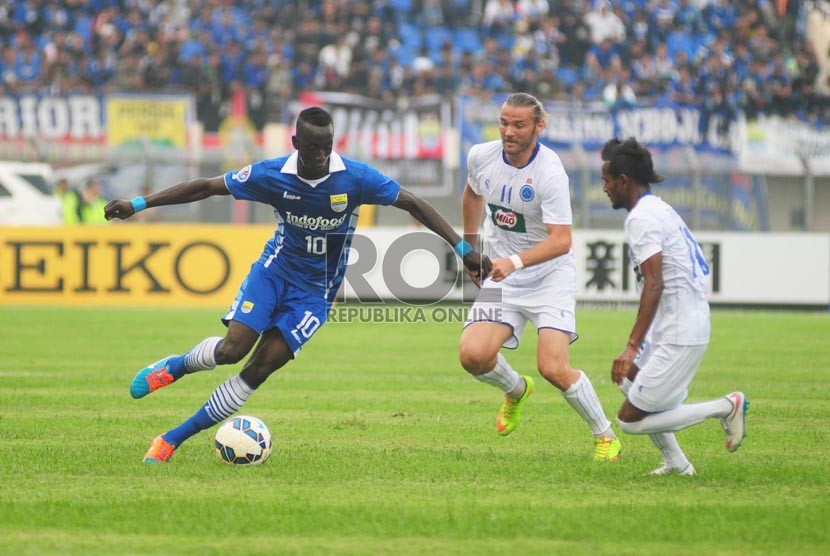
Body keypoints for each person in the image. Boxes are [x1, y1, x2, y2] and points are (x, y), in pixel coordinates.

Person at [104, 106, 491, 463]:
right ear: (296, 144)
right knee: (231, 350)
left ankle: (171, 439)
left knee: (259, 368)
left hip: (316, 294)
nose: (321, 156)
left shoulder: (355, 177)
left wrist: (463, 249)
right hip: (274, 273)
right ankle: (174, 367)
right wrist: (139, 205)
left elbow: (413, 203)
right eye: (312, 148)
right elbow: (205, 186)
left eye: (326, 147)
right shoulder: (272, 174)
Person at [458, 92, 621, 462]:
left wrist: (513, 262)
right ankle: (515, 390)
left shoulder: (549, 173)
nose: (508, 132)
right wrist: (470, 249)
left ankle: (605, 436)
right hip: (505, 274)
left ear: (538, 126)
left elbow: (562, 241)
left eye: (518, 125)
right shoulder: (480, 156)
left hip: (548, 277)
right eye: (503, 123)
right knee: (472, 355)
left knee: (552, 367)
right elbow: (471, 194)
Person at [600, 137, 748, 476]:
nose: (605, 188)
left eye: (607, 180)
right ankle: (678, 464)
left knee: (630, 422)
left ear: (623, 180)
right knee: (627, 379)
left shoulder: (642, 219)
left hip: (681, 332)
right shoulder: (659, 208)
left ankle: (727, 406)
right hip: (677, 326)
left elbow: (655, 283)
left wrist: (631, 345)